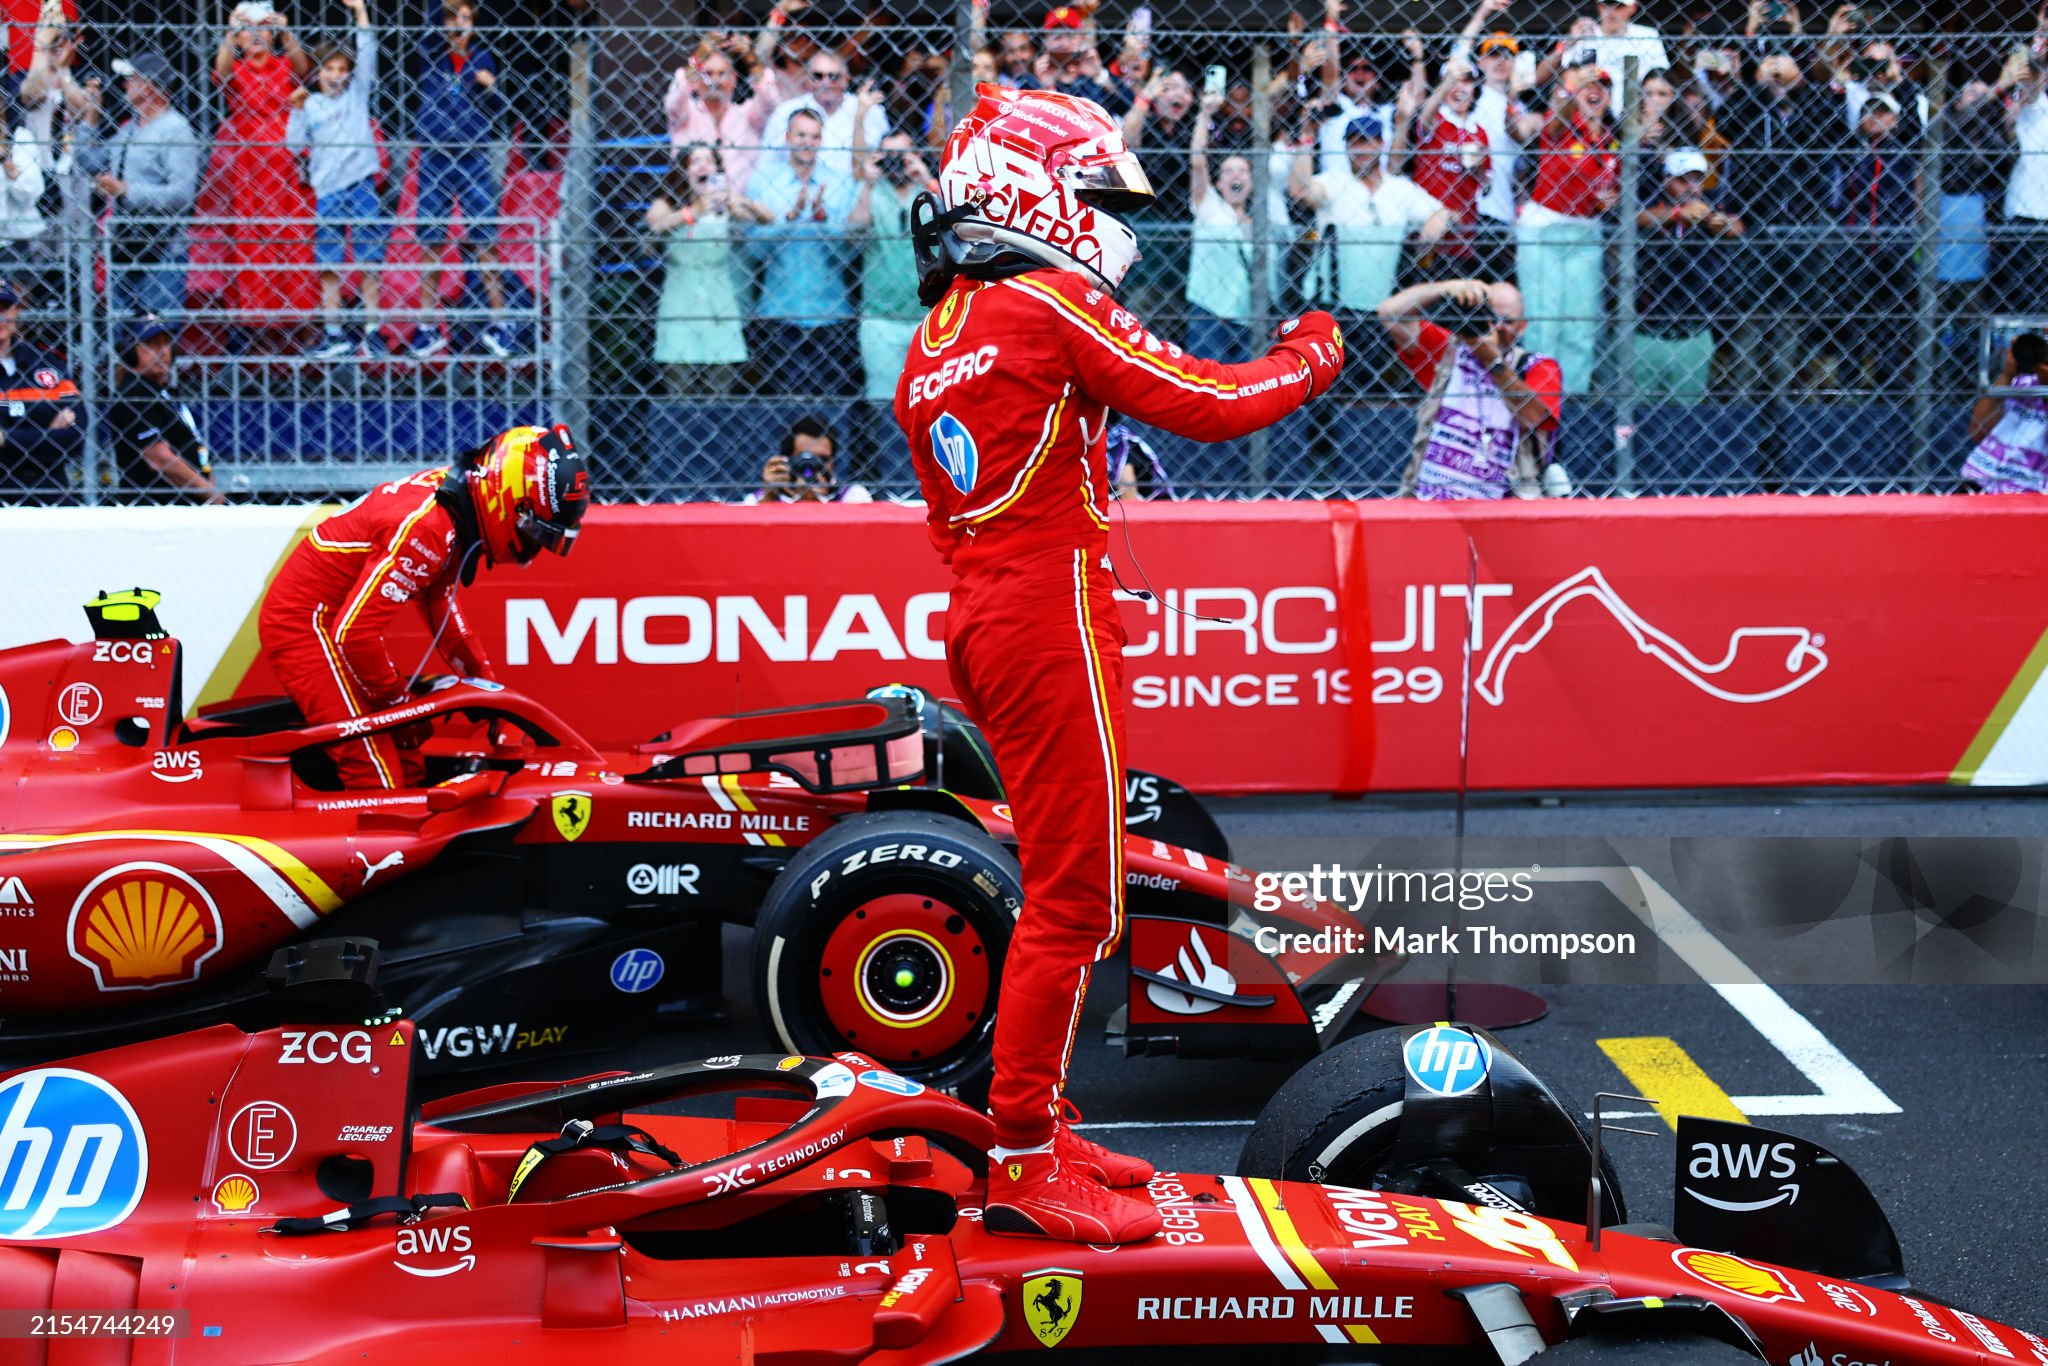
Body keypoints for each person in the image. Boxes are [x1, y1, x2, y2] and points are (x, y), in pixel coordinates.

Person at [898, 85, 1344, 1244]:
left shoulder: (936, 335)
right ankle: (1024, 1156)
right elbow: (1208, 401)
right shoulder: (1042, 306)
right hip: (1048, 618)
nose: (1104, 216)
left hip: (991, 615)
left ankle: (1032, 1121)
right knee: (1075, 899)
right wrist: (1311, 351)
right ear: (1028, 191)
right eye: (1091, 191)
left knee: (1066, 887)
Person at [256, 424, 589, 789]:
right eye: (536, 533)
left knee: (407, 750)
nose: (533, 547)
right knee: (372, 770)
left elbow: (439, 604)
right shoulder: (430, 527)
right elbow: (355, 636)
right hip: (306, 624)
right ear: (512, 502)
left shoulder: (457, 508)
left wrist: (489, 688)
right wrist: (402, 706)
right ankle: (373, 842)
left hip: (337, 623)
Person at [1289, 113, 1449, 378]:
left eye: (1367, 142)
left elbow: (1444, 213)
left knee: (1372, 389)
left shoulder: (1400, 189)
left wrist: (1438, 219)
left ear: (1381, 144)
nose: (1360, 149)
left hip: (1381, 308)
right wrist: (1306, 136)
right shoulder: (1334, 181)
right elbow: (1301, 191)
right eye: (1354, 142)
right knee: (1326, 386)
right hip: (1331, 305)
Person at [1377, 275, 1564, 498]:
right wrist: (1447, 287)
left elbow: (1534, 417)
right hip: (1435, 494)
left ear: (1522, 327)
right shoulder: (1449, 351)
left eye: (1508, 321)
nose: (1498, 327)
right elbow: (1389, 314)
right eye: (1492, 316)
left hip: (1507, 498)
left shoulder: (1537, 366)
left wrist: (1492, 360)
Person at [205, 1, 316, 350]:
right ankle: (259, 330)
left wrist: (285, 29)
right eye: (247, 31)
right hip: (250, 173)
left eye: (261, 29)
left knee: (294, 243)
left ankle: (300, 326)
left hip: (286, 170)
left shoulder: (283, 66)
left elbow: (304, 69)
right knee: (255, 248)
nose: (255, 36)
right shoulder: (237, 71)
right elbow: (220, 74)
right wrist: (229, 31)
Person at [285, 0, 388, 358]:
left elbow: (368, 54)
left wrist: (360, 13)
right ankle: (334, 333)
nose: (336, 75)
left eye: (342, 68)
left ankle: (373, 331)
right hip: (327, 190)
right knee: (329, 263)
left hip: (360, 184)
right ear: (319, 72)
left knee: (369, 259)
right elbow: (294, 144)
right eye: (329, 68)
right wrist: (296, 110)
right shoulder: (311, 104)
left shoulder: (357, 95)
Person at [410, 0, 513, 360]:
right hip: (436, 155)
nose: (458, 24)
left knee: (485, 237)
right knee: (431, 239)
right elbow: (430, 23)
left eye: (465, 18)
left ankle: (501, 324)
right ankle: (426, 327)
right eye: (452, 18)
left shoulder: (483, 58)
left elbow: (500, 110)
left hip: (472, 155)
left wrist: (491, 88)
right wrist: (440, 11)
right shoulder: (433, 53)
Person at [1517, 66, 1619, 395]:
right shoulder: (1562, 125)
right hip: (1544, 231)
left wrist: (1609, 200)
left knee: (1580, 325)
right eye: (1589, 86)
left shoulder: (1609, 141)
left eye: (1602, 87)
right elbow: (1557, 114)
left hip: (1585, 234)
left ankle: (1573, 399)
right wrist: (1570, 85)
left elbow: (1607, 191)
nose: (1595, 91)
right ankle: (1538, 396)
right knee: (1544, 323)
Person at [78, 49, 197, 320]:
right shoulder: (129, 129)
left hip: (162, 249)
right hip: (125, 245)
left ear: (152, 85)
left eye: (132, 79)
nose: (125, 85)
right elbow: (90, 162)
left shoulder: (176, 129)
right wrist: (90, 118)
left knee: (157, 335)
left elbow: (183, 194)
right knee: (123, 339)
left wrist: (127, 190)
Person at [747, 109, 857, 396]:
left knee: (832, 406)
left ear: (821, 140)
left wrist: (822, 221)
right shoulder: (762, 181)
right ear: (787, 138)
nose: (807, 142)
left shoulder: (840, 182)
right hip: (779, 313)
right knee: (782, 407)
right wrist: (790, 219)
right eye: (801, 135)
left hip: (831, 312)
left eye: (814, 136)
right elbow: (752, 252)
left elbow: (849, 255)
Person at [649, 142, 766, 394]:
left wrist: (740, 201)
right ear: (683, 170)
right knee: (679, 391)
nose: (703, 166)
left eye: (709, 161)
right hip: (679, 309)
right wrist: (695, 211)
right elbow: (656, 227)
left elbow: (767, 218)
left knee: (720, 389)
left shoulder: (725, 206)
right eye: (695, 161)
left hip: (719, 308)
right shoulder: (666, 203)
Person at [1634, 147, 1745, 404]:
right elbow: (1635, 217)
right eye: (1683, 180)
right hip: (1647, 331)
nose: (1691, 187)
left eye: (1697, 180)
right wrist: (1677, 215)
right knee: (1639, 410)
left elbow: (1737, 225)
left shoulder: (1711, 204)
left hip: (1694, 331)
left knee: (1687, 414)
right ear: (1666, 181)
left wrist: (1718, 222)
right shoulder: (1651, 200)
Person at [850, 128, 929, 423]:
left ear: (917, 155)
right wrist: (868, 185)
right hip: (880, 317)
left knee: (931, 403)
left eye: (902, 155)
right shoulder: (870, 190)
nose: (896, 162)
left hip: (927, 318)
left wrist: (926, 180)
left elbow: (959, 227)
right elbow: (853, 234)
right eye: (889, 155)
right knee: (884, 407)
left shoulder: (929, 192)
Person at [105, 313, 222, 503]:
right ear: (130, 351)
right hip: (156, 507)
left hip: (184, 504)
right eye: (151, 344)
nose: (163, 351)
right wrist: (212, 495)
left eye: (167, 343)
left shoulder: (163, 392)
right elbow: (159, 458)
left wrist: (209, 486)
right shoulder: (135, 394)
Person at [662, 37, 793, 194]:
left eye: (722, 74)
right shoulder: (685, 113)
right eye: (707, 74)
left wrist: (752, 61)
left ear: (734, 79)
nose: (714, 81)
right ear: (696, 80)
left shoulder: (749, 115)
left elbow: (771, 102)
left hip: (742, 206)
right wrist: (697, 58)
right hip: (691, 204)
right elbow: (673, 101)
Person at [0, 280, 80, 501]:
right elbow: (58, 440)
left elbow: (76, 434)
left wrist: (6, 438)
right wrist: (48, 433)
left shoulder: (48, 364)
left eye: (4, 308)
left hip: (50, 493)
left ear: (16, 311)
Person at [758, 49, 886, 182]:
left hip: (855, 191)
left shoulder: (870, 110)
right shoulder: (786, 111)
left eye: (833, 77)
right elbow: (766, 161)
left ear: (846, 80)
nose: (825, 83)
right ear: (808, 79)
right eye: (818, 76)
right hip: (795, 188)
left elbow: (878, 159)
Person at [1961, 332, 2048, 493]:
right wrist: (2007, 375)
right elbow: (1978, 431)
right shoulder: (2023, 382)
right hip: (1979, 480)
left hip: (2030, 495)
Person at [751, 414, 871, 502]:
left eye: (822, 459)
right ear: (787, 461)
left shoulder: (854, 496)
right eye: (805, 459)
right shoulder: (759, 499)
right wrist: (769, 497)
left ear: (833, 462)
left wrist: (819, 501)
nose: (813, 467)